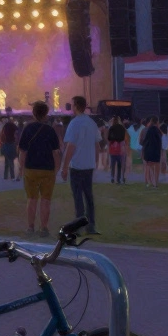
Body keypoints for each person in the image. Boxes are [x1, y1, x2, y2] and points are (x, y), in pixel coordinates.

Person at [18, 101, 61, 237]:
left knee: (31, 199)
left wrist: (21, 167)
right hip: (47, 169)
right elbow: (56, 152)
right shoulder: (50, 130)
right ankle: (44, 228)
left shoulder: (27, 129)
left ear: (34, 113)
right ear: (46, 114)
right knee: (45, 200)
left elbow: (22, 151)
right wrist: (57, 168)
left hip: (31, 168)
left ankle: (30, 227)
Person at [61, 96, 101, 235]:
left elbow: (70, 147)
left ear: (76, 106)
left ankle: (78, 227)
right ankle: (91, 225)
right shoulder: (91, 123)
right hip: (88, 165)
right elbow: (97, 145)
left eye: (72, 105)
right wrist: (95, 161)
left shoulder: (74, 124)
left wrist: (64, 167)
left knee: (78, 197)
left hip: (77, 166)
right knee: (89, 197)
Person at [141, 116, 163, 188]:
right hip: (156, 151)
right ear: (157, 122)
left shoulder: (148, 130)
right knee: (157, 168)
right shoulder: (157, 130)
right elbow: (160, 140)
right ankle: (155, 183)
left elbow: (145, 141)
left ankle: (150, 182)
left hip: (149, 151)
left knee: (150, 167)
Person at [107, 116, 128, 185]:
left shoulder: (111, 128)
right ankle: (118, 179)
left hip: (112, 147)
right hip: (120, 147)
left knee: (113, 164)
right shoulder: (122, 128)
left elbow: (109, 138)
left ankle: (112, 177)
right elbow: (123, 138)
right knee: (119, 164)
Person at [0, 115, 19, 181]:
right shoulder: (13, 125)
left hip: (6, 143)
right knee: (11, 161)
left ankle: (5, 176)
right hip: (12, 143)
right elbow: (17, 131)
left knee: (6, 160)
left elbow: (2, 134)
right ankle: (12, 176)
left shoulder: (5, 126)